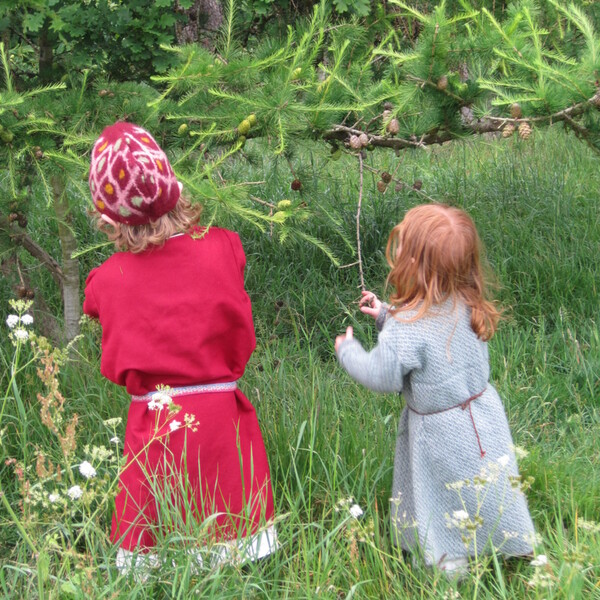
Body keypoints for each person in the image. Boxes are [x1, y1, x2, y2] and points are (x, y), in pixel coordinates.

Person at [84, 121, 276, 572]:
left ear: (109, 219)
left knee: (158, 541)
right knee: (231, 537)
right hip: (221, 420)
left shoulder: (108, 280)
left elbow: (96, 301)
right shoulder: (225, 247)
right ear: (174, 188)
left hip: (156, 424)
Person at [335, 204, 535, 576]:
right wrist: (385, 315)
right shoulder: (468, 300)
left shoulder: (406, 326)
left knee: (442, 494)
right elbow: (430, 328)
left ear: (412, 263)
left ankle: (449, 566)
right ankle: (508, 538)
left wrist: (348, 352)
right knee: (489, 483)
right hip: (485, 417)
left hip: (438, 433)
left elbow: (384, 374)